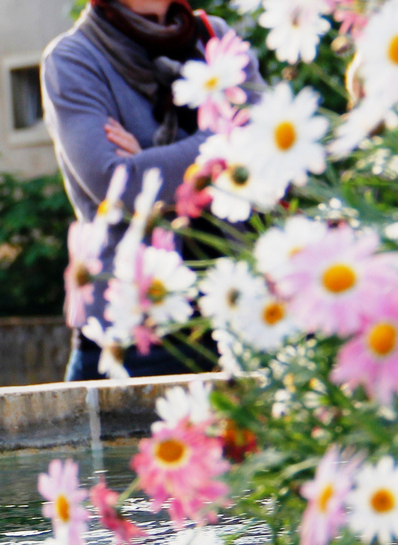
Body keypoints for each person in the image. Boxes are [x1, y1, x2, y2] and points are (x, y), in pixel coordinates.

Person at [45, 0, 258, 381]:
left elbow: (268, 143)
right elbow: (117, 187)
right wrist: (226, 140)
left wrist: (148, 159)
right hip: (138, 336)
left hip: (240, 311)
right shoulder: (73, 59)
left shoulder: (215, 37)